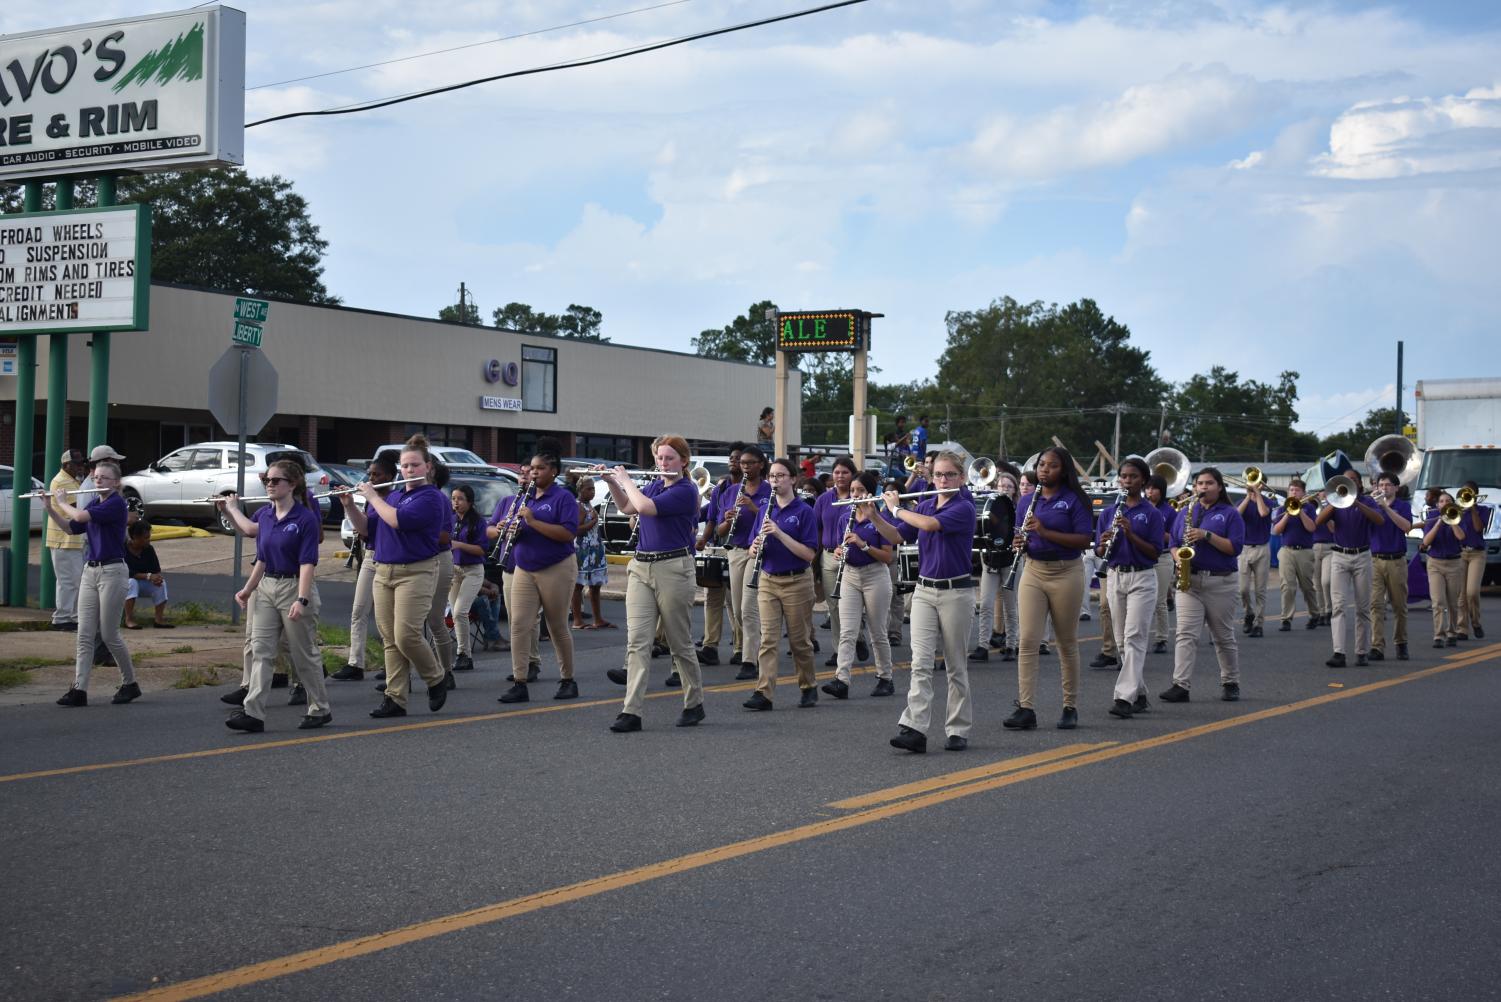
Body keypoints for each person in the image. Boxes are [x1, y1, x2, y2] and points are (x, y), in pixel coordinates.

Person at [218, 460, 331, 732]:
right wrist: (248, 589)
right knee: (261, 651)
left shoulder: (305, 519)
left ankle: (320, 708)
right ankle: (253, 712)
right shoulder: (266, 516)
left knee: (303, 654)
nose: (269, 485)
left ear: (292, 485)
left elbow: (307, 563)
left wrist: (302, 599)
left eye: (276, 480)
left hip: (294, 587)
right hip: (267, 587)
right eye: (267, 480)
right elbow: (262, 559)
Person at [342, 436, 450, 718]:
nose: (409, 470)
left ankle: (436, 678)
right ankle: (395, 698)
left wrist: (373, 497)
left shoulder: (432, 497)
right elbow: (367, 530)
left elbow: (397, 521)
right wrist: (349, 505)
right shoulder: (393, 496)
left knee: (406, 635)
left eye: (415, 465)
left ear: (427, 467)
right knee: (390, 639)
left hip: (416, 571)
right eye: (405, 466)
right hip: (383, 570)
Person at [604, 436, 705, 731]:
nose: (663, 463)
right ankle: (631, 711)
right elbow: (627, 508)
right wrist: (612, 481)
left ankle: (694, 701)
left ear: (683, 461)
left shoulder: (687, 490)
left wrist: (626, 479)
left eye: (669, 458)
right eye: (660, 458)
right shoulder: (656, 485)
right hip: (641, 567)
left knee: (679, 642)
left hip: (674, 568)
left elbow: (645, 507)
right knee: (637, 641)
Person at [886, 450, 977, 751]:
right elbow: (897, 536)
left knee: (955, 665)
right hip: (924, 590)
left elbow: (928, 526)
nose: (943, 479)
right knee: (920, 663)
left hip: (956, 592)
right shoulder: (925, 504)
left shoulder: (964, 507)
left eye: (950, 474)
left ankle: (958, 728)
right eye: (938, 474)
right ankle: (914, 728)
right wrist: (874, 514)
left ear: (961, 478)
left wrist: (897, 509)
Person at [1004, 449, 1091, 730]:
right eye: (1041, 465)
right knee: (1028, 640)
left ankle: (1070, 706)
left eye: (1052, 466)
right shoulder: (1027, 500)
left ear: (1063, 470)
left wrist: (1044, 532)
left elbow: (1083, 540)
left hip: (1067, 571)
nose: (1045, 470)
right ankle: (1026, 707)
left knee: (1066, 641)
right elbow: (1023, 534)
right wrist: (1022, 543)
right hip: (1034, 569)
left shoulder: (1075, 499)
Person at [43, 459, 140, 707]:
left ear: (116, 483)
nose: (97, 481)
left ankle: (130, 683)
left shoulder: (116, 504)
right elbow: (70, 527)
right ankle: (79, 690)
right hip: (91, 571)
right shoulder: (96, 502)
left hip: (113, 572)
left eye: (104, 478)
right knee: (84, 634)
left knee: (109, 634)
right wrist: (50, 506)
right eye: (96, 477)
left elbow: (81, 515)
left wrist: (63, 501)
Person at [496, 450, 580, 704]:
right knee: (519, 625)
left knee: (556, 626)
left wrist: (531, 522)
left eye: (540, 468)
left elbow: (567, 534)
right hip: (524, 567)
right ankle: (520, 681)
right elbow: (522, 528)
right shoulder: (525, 498)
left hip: (556, 566)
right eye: (531, 468)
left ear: (553, 471)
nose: (533, 472)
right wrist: (512, 529)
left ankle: (568, 680)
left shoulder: (563, 498)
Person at [1160, 468, 1246, 703]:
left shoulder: (1230, 514)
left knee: (1222, 636)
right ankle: (1181, 685)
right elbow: (1174, 544)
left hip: (1221, 581)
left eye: (1209, 483)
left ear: (1219, 487)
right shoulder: (1186, 511)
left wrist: (1206, 535)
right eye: (1200, 483)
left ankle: (1231, 681)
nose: (1204, 487)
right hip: (1191, 580)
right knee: (1185, 634)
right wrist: (1179, 558)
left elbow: (1234, 548)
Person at [742, 457, 819, 710]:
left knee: (799, 641)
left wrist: (779, 533)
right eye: (772, 476)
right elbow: (751, 550)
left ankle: (808, 686)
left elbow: (809, 554)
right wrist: (754, 548)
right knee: (768, 640)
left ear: (793, 479)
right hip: (768, 579)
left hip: (797, 580)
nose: (775, 480)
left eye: (781, 476)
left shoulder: (804, 511)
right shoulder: (765, 508)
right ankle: (764, 693)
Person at [1095, 457, 1164, 718]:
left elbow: (1155, 552)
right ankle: (1140, 693)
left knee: (1135, 637)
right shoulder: (1109, 513)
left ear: (1143, 480)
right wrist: (1103, 543)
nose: (1127, 480)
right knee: (1122, 640)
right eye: (1123, 476)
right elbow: (1100, 550)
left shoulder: (1152, 513)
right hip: (1115, 575)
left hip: (1142, 578)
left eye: (1133, 476)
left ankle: (1123, 698)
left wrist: (1131, 533)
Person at [821, 471, 897, 700]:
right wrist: (837, 551)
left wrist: (863, 546)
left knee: (877, 631)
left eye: (860, 491)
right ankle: (841, 680)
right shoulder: (846, 517)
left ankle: (885, 677)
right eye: (853, 491)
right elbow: (839, 545)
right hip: (850, 575)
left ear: (870, 493)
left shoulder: (880, 519)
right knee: (848, 631)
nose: (855, 495)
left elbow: (887, 557)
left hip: (875, 575)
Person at [332, 456, 396, 682]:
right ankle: (355, 663)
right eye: (370, 475)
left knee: (386, 616)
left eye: (376, 475)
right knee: (358, 610)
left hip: (391, 560)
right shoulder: (371, 499)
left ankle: (393, 665)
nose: (371, 479)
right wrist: (348, 504)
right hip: (370, 556)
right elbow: (366, 530)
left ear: (389, 477)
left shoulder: (396, 499)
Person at [1313, 472, 1383, 668]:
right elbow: (1318, 523)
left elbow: (1379, 520)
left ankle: (1361, 652)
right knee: (1338, 606)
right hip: (1340, 556)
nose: (1348, 483)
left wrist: (1357, 503)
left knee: (1362, 607)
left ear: (1359, 484)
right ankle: (1339, 652)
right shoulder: (1336, 503)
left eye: (1352, 480)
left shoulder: (1367, 501)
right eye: (1345, 481)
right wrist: (1334, 501)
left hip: (1362, 556)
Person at [720, 446, 771, 682]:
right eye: (742, 463)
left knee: (748, 608)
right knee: (739, 610)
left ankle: (749, 660)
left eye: (750, 463)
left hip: (758, 551)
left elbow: (772, 517)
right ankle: (761, 644)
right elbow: (719, 529)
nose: (746, 467)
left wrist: (753, 508)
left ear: (761, 464)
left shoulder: (768, 490)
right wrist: (728, 520)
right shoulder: (731, 491)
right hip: (735, 550)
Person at [814, 457, 871, 668]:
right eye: (836, 472)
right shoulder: (823, 499)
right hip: (829, 556)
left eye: (845, 472)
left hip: (854, 556)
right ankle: (840, 650)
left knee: (852, 605)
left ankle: (859, 637)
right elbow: (817, 528)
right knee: (834, 605)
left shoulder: (859, 498)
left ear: (852, 474)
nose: (839, 476)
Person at [696, 443, 743, 665]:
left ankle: (740, 647)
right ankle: (710, 646)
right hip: (716, 546)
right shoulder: (721, 488)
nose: (733, 460)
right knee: (712, 598)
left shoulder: (750, 488)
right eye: (731, 457)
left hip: (738, 549)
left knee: (735, 602)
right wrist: (704, 539)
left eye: (738, 458)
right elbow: (712, 518)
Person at [970, 464, 1018, 662]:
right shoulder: (991, 507)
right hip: (990, 556)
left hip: (1010, 559)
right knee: (987, 603)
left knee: (1010, 605)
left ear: (1014, 490)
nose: (1004, 489)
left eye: (1008, 486)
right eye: (1001, 485)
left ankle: (1012, 645)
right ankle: (983, 645)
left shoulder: (1018, 507)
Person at [1368, 473, 1413, 662]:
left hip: (1396, 560)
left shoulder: (1403, 506)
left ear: (1395, 487)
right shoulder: (1371, 505)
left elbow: (1406, 527)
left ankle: (1401, 642)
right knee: (1376, 605)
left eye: (1387, 485)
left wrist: (1385, 507)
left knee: (1398, 605)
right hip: (1375, 560)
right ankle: (1377, 646)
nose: (1384, 488)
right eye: (1381, 485)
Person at [46, 449, 89, 632]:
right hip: (63, 539)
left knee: (73, 581)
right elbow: (75, 508)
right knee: (68, 581)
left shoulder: (71, 480)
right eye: (77, 464)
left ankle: (69, 616)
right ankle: (62, 618)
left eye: (81, 463)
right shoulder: (63, 481)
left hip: (69, 538)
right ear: (66, 465)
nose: (81, 467)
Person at [1271, 479, 1321, 633]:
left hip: (1305, 552)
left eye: (1297, 490)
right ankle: (1286, 619)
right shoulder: (1282, 509)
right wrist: (1287, 513)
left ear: (1303, 493)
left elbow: (1311, 527)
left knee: (1307, 586)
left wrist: (1299, 512)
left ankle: (1314, 614)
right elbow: (1276, 531)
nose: (1294, 493)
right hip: (1286, 550)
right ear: (1288, 492)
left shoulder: (1309, 508)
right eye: (1291, 490)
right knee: (1287, 586)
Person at [449, 483, 489, 672]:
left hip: (473, 570)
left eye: (460, 499)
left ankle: (463, 654)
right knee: (456, 615)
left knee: (459, 612)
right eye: (453, 498)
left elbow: (482, 550)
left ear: (470, 502)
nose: (456, 503)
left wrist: (458, 545)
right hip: (453, 570)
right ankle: (463, 653)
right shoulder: (449, 519)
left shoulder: (479, 522)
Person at [1421, 493, 1465, 648]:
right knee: (1438, 601)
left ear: (1452, 503)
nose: (1444, 503)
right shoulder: (1432, 516)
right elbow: (1426, 542)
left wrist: (1452, 520)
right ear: (1437, 505)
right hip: (1435, 563)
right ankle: (1438, 635)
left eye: (1448, 501)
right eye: (1441, 501)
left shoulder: (1459, 515)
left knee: (1453, 602)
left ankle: (1452, 632)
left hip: (1454, 563)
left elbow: (1461, 537)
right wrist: (1439, 523)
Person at [571, 477, 611, 631]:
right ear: (580, 490)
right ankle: (577, 620)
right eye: (589, 489)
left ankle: (598, 618)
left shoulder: (589, 506)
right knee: (578, 585)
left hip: (595, 548)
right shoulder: (578, 506)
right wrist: (593, 522)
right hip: (583, 550)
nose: (592, 492)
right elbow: (576, 529)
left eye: (593, 488)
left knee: (596, 585)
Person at [1237, 476, 1274, 637]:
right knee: (1242, 589)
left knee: (1260, 590)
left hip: (1262, 549)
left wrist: (1258, 494)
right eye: (1250, 483)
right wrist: (1248, 496)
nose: (1252, 485)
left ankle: (1259, 624)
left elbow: (1263, 512)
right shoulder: (1241, 501)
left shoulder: (1268, 501)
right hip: (1244, 549)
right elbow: (1237, 515)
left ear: (1262, 485)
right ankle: (1249, 613)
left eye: (1256, 483)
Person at [122, 521, 173, 628]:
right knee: (132, 583)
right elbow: (127, 573)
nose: (148, 540)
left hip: (142, 582)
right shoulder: (123, 549)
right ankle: (128, 619)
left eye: (149, 537)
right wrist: (148, 576)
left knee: (162, 584)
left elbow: (156, 569)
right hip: (123, 584)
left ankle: (159, 620)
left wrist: (158, 578)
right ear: (135, 537)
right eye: (145, 537)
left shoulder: (149, 549)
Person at [1457, 480, 1491, 640]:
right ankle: (1462, 628)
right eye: (1464, 492)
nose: (1466, 495)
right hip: (1461, 553)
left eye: (1469, 493)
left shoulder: (1483, 510)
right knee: (1461, 594)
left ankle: (1475, 622)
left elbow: (1478, 528)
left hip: (1477, 553)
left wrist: (1472, 510)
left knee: (1472, 592)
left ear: (1475, 495)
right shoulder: (1456, 511)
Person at [1146, 475, 1176, 654]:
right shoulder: (1139, 507)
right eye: (1148, 488)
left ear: (1161, 490)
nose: (1150, 491)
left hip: (1163, 557)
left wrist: (1156, 530)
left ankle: (1161, 638)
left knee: (1159, 600)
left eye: (1154, 488)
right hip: (1142, 557)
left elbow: (1175, 537)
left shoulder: (1169, 511)